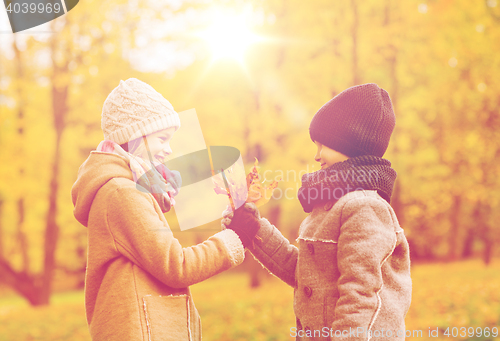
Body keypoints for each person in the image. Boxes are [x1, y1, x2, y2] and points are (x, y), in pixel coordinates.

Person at [223, 83, 412, 340]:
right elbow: (304, 274)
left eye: (324, 145)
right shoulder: (330, 205)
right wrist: (253, 228)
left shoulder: (365, 207)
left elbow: (360, 293)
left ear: (352, 144)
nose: (317, 156)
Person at [71, 78, 245, 341]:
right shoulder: (122, 192)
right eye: (162, 138)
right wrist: (231, 242)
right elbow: (176, 266)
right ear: (135, 137)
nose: (169, 148)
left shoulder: (125, 188)